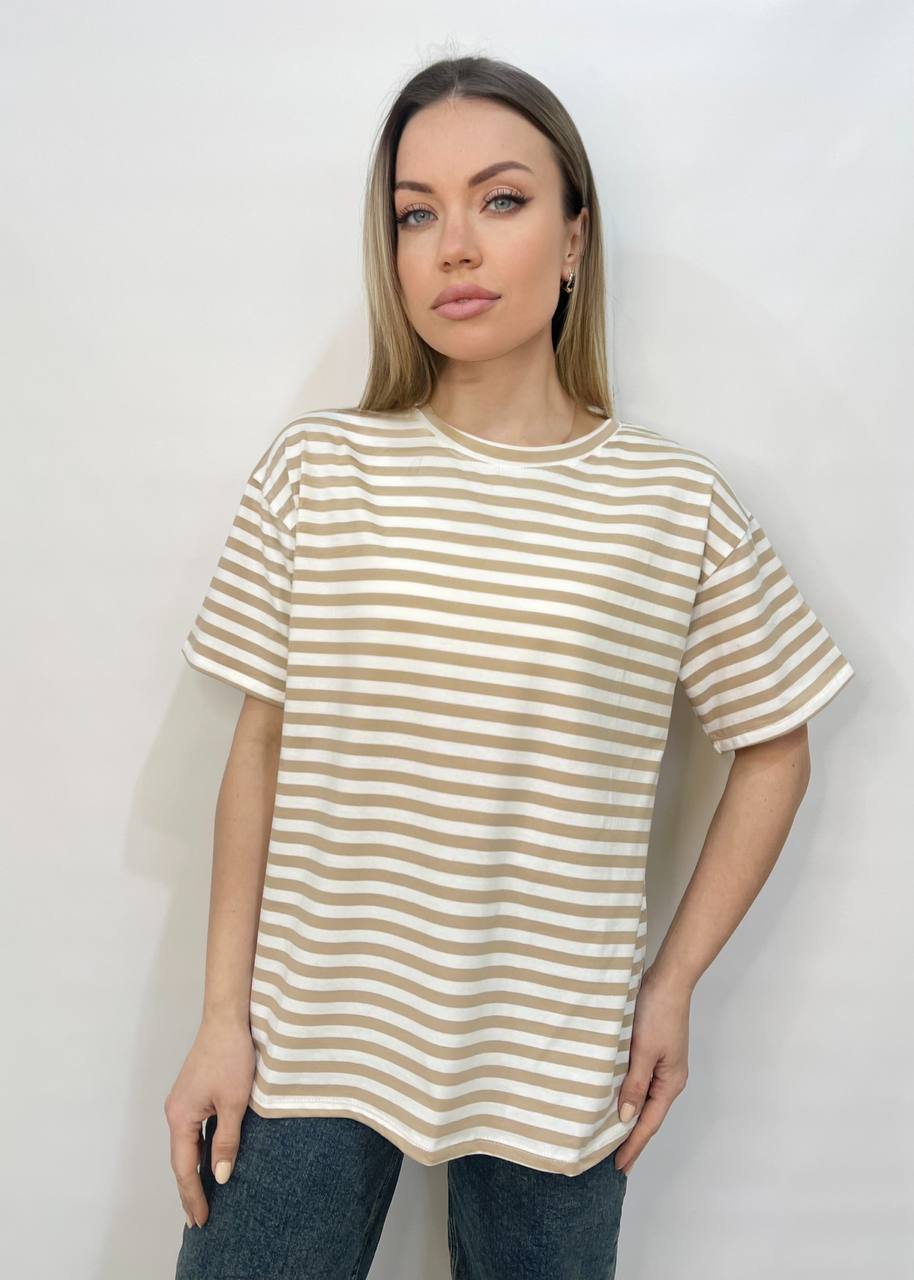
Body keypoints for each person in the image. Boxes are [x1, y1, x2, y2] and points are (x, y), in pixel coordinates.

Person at [166, 53, 856, 1280]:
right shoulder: (317, 473)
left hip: (554, 1058)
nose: (454, 247)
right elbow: (258, 746)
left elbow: (775, 743)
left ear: (574, 236)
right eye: (414, 213)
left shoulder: (670, 503)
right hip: (309, 1039)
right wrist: (220, 1017)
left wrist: (671, 984)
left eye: (500, 199)